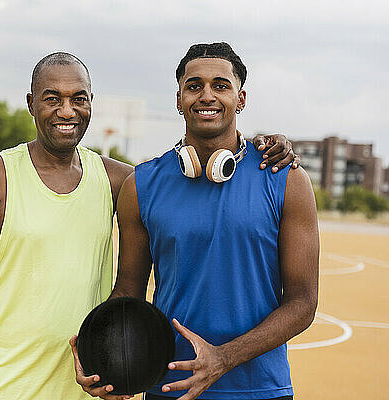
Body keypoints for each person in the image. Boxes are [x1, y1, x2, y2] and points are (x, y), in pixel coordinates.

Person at [0, 51, 299, 400]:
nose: (66, 111)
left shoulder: (118, 179)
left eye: (78, 99)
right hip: (0, 387)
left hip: (87, 392)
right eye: (52, 99)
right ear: (31, 104)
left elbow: (176, 180)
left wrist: (271, 143)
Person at [71, 43, 319, 400]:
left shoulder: (285, 178)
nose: (207, 95)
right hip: (169, 385)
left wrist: (223, 358)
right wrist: (101, 358)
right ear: (178, 99)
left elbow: (303, 302)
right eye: (194, 85)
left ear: (241, 98)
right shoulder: (141, 185)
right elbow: (128, 291)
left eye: (221, 85)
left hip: (260, 388)